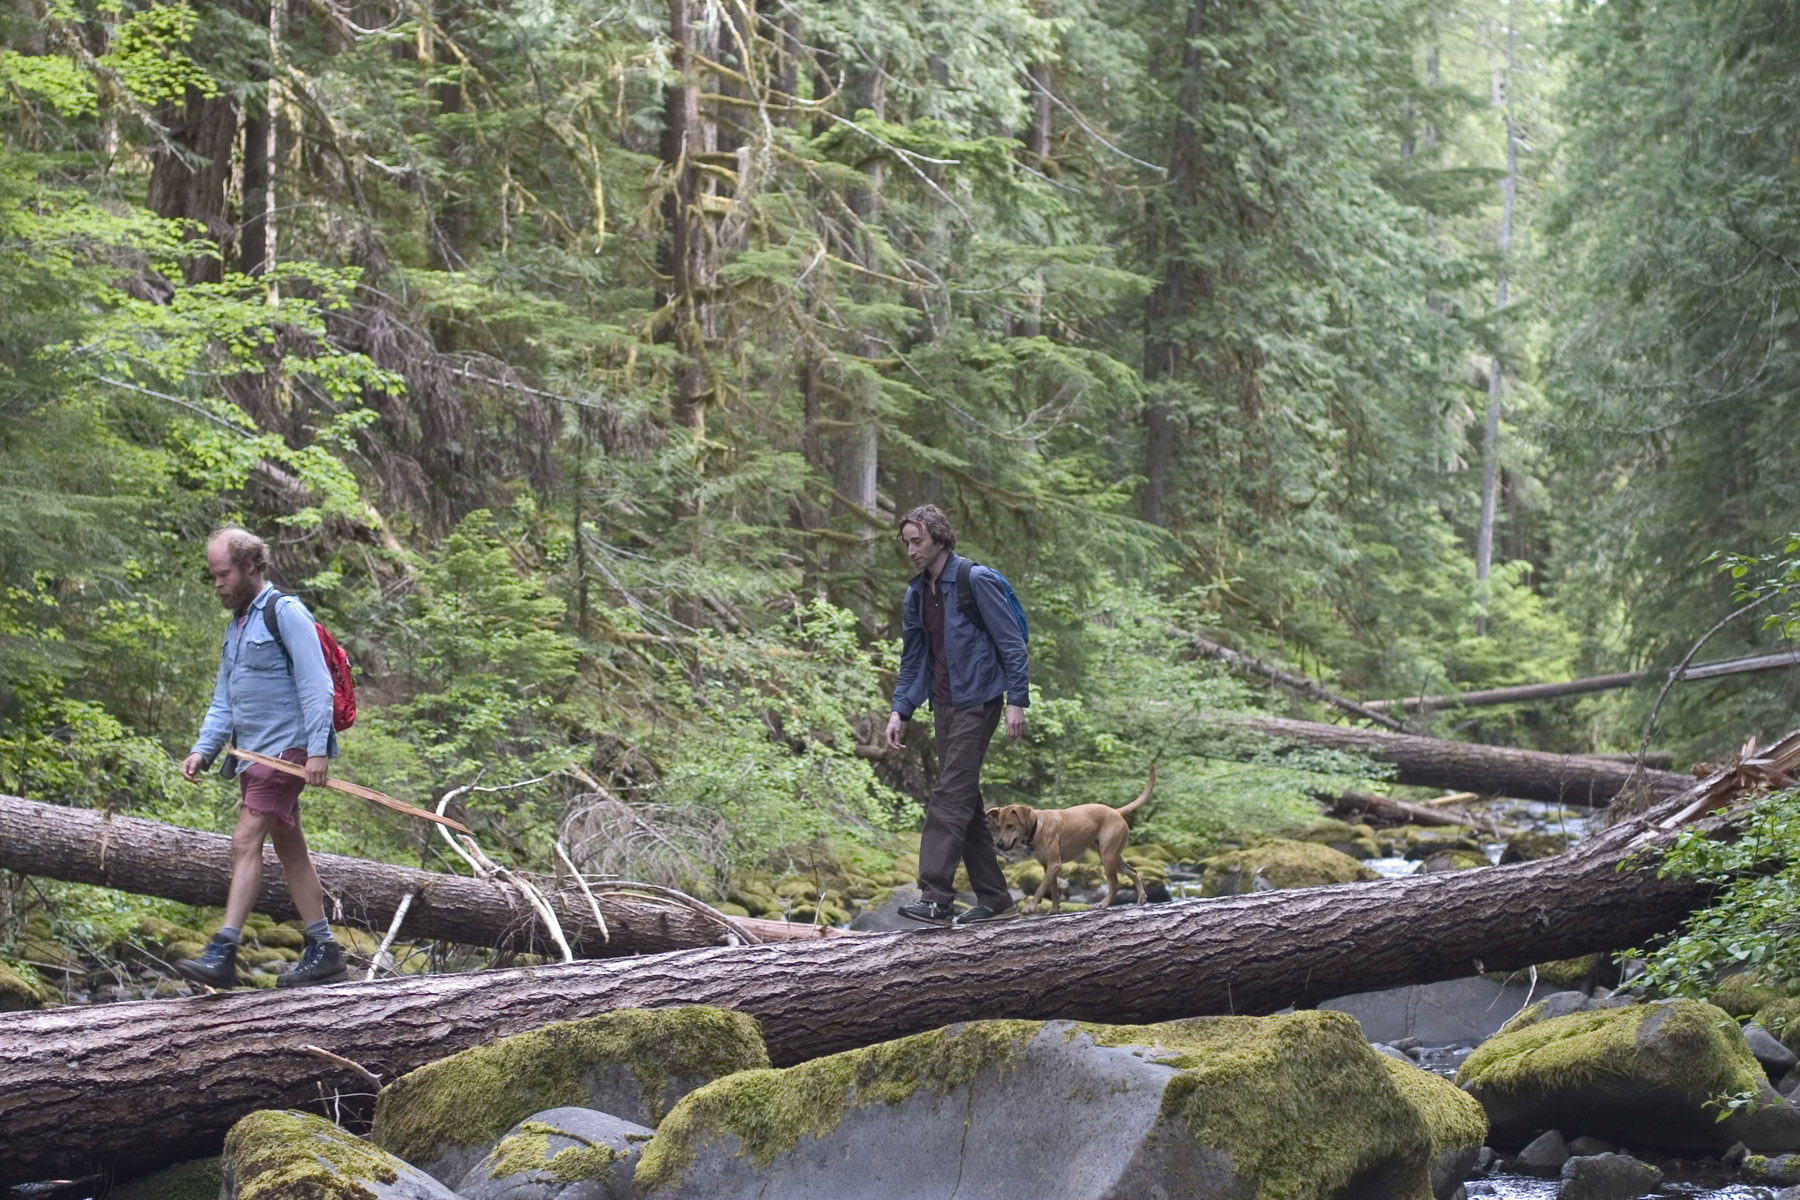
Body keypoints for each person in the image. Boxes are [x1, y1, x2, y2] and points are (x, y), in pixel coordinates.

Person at [176, 527, 347, 988]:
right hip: (252, 756)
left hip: (285, 752)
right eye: (213, 576)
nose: (218, 584)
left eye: (224, 574)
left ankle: (223, 950)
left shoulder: (285, 613)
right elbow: (224, 700)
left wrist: (316, 749)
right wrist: (203, 749)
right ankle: (324, 948)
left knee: (244, 840)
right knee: (291, 850)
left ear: (252, 566)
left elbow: (316, 684)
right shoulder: (237, 628)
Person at [885, 505, 1030, 926]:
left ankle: (936, 897)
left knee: (948, 796)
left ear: (939, 538)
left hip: (979, 701)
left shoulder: (974, 580)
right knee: (964, 801)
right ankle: (997, 900)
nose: (911, 550)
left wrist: (1016, 700)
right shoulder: (917, 593)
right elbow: (914, 659)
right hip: (944, 705)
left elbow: (1012, 643)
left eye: (918, 541)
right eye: (907, 542)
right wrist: (901, 710)